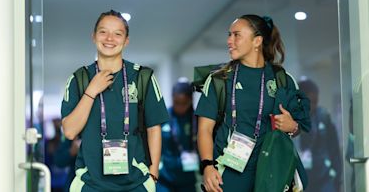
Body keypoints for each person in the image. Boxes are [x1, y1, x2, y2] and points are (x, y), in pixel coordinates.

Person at [195, 14, 311, 192]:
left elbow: (297, 126)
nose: (229, 41)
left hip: (271, 170)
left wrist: (292, 126)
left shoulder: (282, 79)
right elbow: (204, 129)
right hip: (229, 171)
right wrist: (207, 166)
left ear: (257, 41)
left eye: (236, 35)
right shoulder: (219, 79)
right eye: (229, 35)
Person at [61, 10, 169, 192]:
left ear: (126, 40)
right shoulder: (79, 79)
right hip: (90, 184)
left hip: (136, 183)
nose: (109, 38)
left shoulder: (143, 77)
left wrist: (153, 174)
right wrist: (91, 91)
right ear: (94, 36)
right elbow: (70, 132)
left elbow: (154, 128)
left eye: (117, 33)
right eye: (103, 32)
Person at [297, 78, 342, 192]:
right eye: (310, 102)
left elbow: (334, 149)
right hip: (301, 178)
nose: (313, 106)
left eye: (316, 102)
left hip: (324, 176)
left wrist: (337, 178)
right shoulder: (291, 118)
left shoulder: (323, 116)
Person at [157, 80, 198, 192]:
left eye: (184, 103)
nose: (180, 107)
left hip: (188, 180)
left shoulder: (198, 120)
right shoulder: (163, 117)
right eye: (176, 102)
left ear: (191, 100)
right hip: (164, 179)